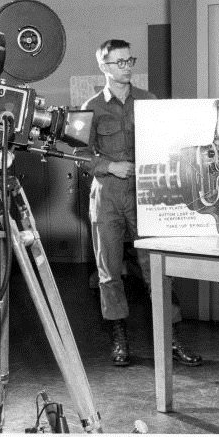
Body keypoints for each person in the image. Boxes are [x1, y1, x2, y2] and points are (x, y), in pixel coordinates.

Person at [76, 39, 202, 367]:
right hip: (107, 197)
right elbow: (79, 154)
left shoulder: (149, 101)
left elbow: (168, 141)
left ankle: (172, 340)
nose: (127, 66)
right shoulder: (90, 107)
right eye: (119, 62)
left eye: (129, 60)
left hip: (146, 194)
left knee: (157, 269)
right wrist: (109, 166)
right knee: (109, 272)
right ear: (103, 67)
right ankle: (119, 339)